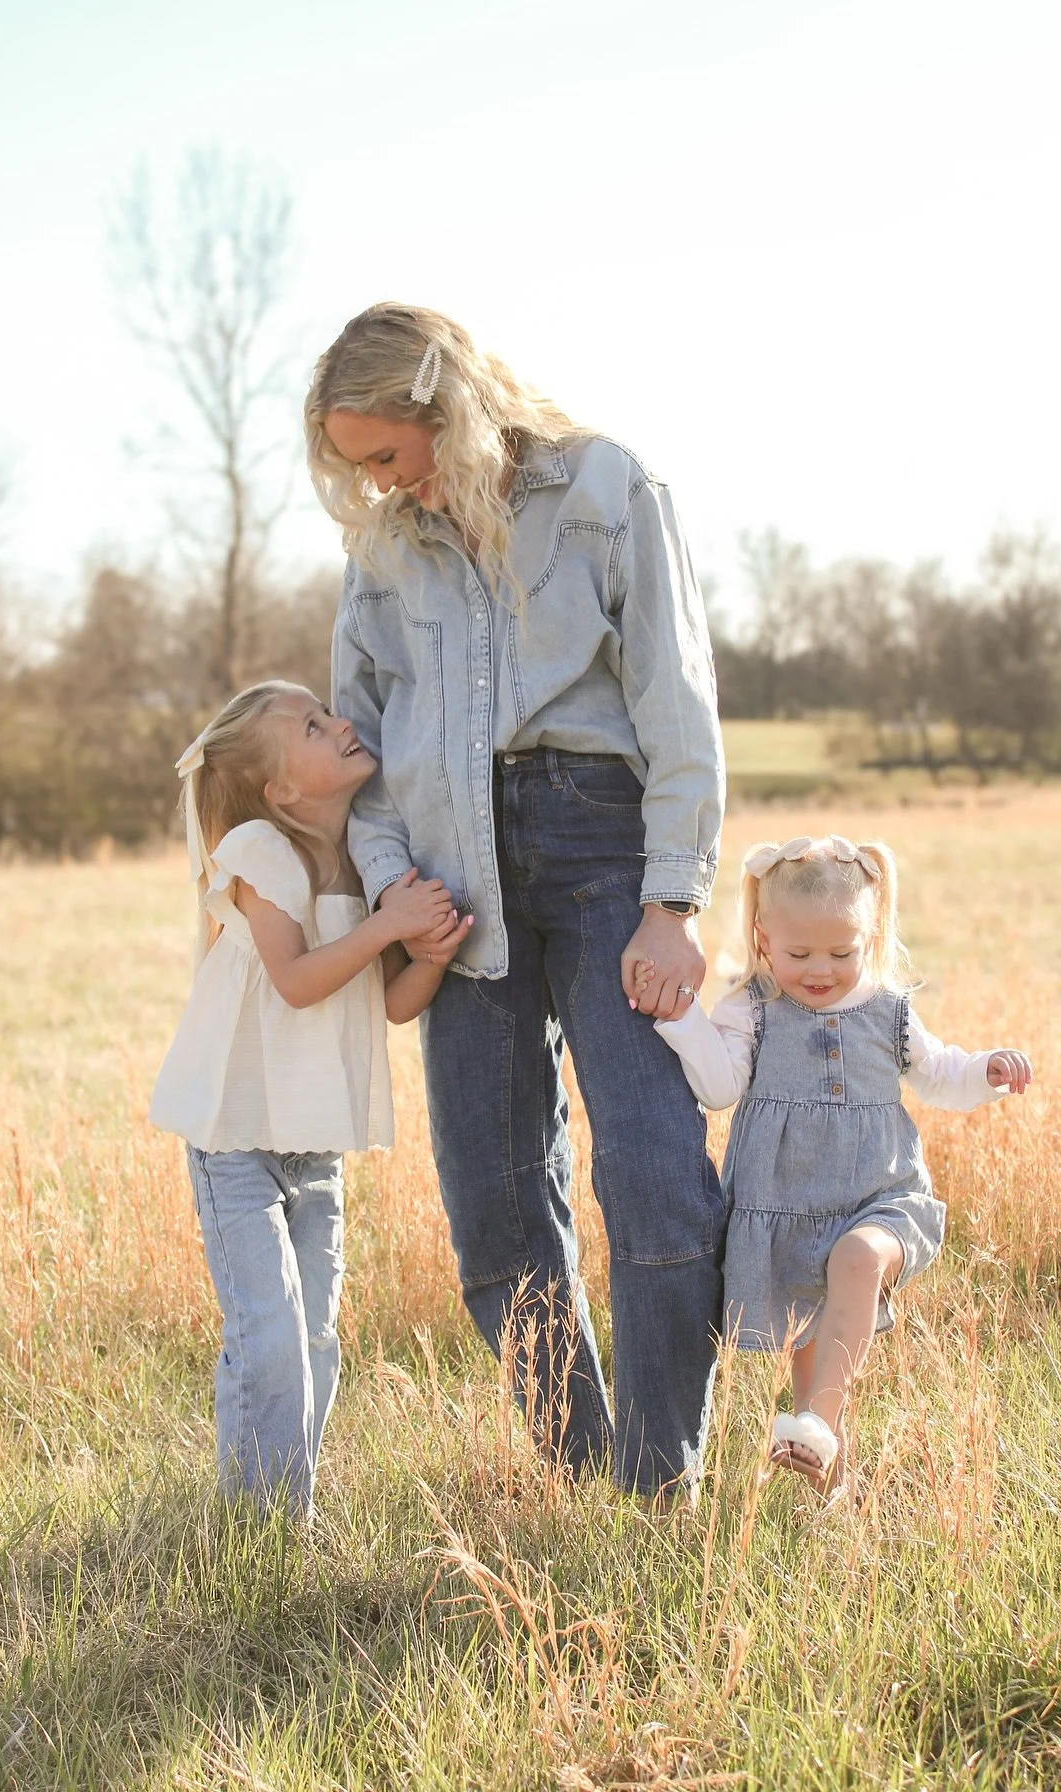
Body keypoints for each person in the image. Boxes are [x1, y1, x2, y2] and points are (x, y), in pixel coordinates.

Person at [307, 302, 728, 1497]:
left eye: (386, 457)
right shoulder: (382, 553)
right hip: (449, 883)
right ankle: (582, 1476)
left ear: (444, 408)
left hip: (605, 860)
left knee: (654, 1174)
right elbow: (363, 746)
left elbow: (676, 705)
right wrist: (393, 891)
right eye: (353, 470)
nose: (378, 488)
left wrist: (674, 900)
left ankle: (660, 1485)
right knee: (492, 1208)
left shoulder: (608, 486)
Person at [149, 679, 472, 1514]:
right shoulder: (261, 850)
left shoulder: (368, 863)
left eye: (328, 715)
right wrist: (387, 926)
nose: (343, 725)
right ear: (284, 790)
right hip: (237, 1138)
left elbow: (390, 1002)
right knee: (270, 1335)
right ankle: (266, 1522)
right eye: (316, 726)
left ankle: (284, 1506)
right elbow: (295, 980)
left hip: (314, 1142)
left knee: (317, 1333)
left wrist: (429, 949)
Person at [646, 833, 1032, 1495]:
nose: (819, 968)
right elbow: (718, 1090)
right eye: (799, 953)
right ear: (764, 938)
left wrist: (987, 1072)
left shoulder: (888, 1012)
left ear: (871, 934)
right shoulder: (752, 1009)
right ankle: (832, 1505)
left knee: (857, 1261)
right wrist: (684, 1022)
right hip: (788, 1219)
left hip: (879, 1199)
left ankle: (814, 1430)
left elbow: (942, 1077)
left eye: (841, 952)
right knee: (817, 1380)